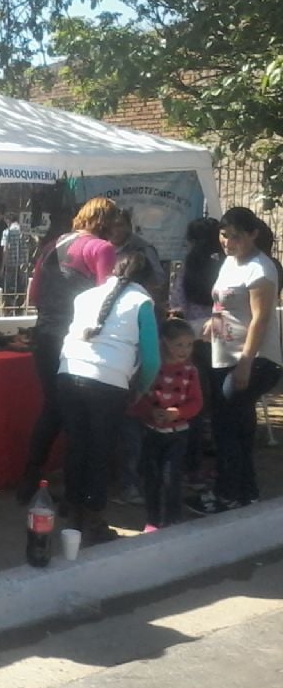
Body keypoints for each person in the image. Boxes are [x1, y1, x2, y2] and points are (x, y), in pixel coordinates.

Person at [16, 196, 119, 503]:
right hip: (78, 340)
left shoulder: (53, 245)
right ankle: (77, 494)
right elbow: (106, 299)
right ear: (107, 222)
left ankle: (30, 480)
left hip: (45, 335)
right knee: (79, 415)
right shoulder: (102, 248)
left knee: (54, 408)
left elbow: (34, 293)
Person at [58, 252, 161, 544]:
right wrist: (139, 390)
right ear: (147, 279)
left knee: (77, 446)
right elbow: (152, 360)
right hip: (109, 383)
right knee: (100, 453)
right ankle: (94, 521)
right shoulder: (142, 302)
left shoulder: (85, 297)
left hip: (68, 374)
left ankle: (73, 514)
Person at [187, 207, 283, 515]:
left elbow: (260, 319)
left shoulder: (261, 270)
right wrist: (211, 326)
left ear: (253, 234)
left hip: (252, 359)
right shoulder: (230, 262)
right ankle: (245, 491)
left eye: (236, 237)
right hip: (223, 354)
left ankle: (227, 493)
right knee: (237, 425)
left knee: (226, 426)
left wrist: (245, 362)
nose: (228, 242)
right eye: (224, 235)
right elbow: (224, 306)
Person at [132, 318, 203, 532]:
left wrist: (177, 413)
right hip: (151, 431)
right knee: (151, 477)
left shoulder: (190, 371)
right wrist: (150, 411)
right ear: (165, 343)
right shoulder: (152, 369)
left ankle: (173, 518)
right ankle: (153, 519)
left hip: (178, 433)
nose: (184, 350)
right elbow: (138, 397)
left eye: (189, 345)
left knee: (172, 476)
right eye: (179, 344)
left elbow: (196, 402)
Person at [168, 216, 223, 485]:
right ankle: (218, 463)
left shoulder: (189, 265)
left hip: (193, 340)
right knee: (219, 402)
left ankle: (190, 466)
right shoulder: (226, 264)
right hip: (221, 337)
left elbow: (177, 303)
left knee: (193, 403)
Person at [109, 208, 167, 295]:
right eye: (110, 226)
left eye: (119, 225)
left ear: (129, 226)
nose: (114, 230)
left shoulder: (144, 248)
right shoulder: (102, 247)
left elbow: (159, 280)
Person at [0, 211, 33, 309]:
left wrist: (2, 267)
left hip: (10, 263)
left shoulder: (6, 232)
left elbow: (5, 250)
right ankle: (22, 303)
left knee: (8, 284)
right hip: (23, 263)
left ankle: (9, 304)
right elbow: (30, 246)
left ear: (8, 220)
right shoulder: (25, 232)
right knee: (22, 285)